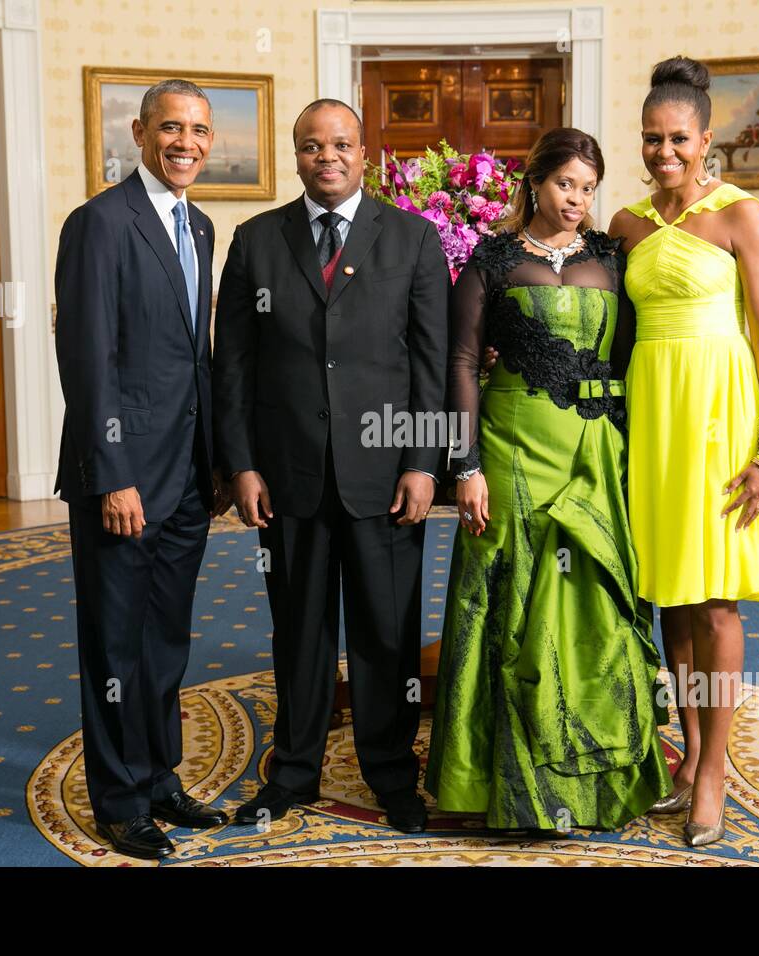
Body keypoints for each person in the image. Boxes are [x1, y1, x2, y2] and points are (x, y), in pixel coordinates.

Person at [424, 128, 673, 831]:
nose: (578, 200)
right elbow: (461, 364)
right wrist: (464, 466)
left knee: (595, 603)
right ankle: (498, 784)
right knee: (507, 603)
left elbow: (630, 357)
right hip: (509, 451)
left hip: (594, 453)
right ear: (535, 183)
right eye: (566, 184)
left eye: (589, 188)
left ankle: (598, 772)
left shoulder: (610, 259)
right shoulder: (492, 260)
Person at [213, 99, 449, 833]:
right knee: (300, 632)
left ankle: (390, 773)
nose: (328, 157)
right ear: (297, 156)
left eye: (341, 144)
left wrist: (423, 463)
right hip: (289, 479)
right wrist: (242, 467)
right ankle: (292, 772)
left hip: (386, 475)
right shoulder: (255, 240)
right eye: (312, 146)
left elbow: (430, 363)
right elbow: (233, 368)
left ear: (364, 153)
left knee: (388, 634)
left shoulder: (412, 238)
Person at [608, 56, 759, 847]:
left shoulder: (742, 215)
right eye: (652, 139)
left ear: (706, 137)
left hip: (723, 420)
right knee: (670, 594)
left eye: (678, 138)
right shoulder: (625, 223)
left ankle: (716, 772)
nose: (664, 152)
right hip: (652, 419)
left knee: (716, 599)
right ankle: (689, 758)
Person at [53, 79, 233, 860]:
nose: (185, 142)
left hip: (187, 476)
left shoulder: (200, 226)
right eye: (170, 127)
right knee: (117, 648)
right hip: (123, 476)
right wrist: (112, 473)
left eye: (197, 130)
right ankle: (121, 801)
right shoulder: (98, 223)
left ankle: (160, 777)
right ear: (138, 132)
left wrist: (218, 464)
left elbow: (196, 361)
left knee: (165, 641)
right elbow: (87, 359)